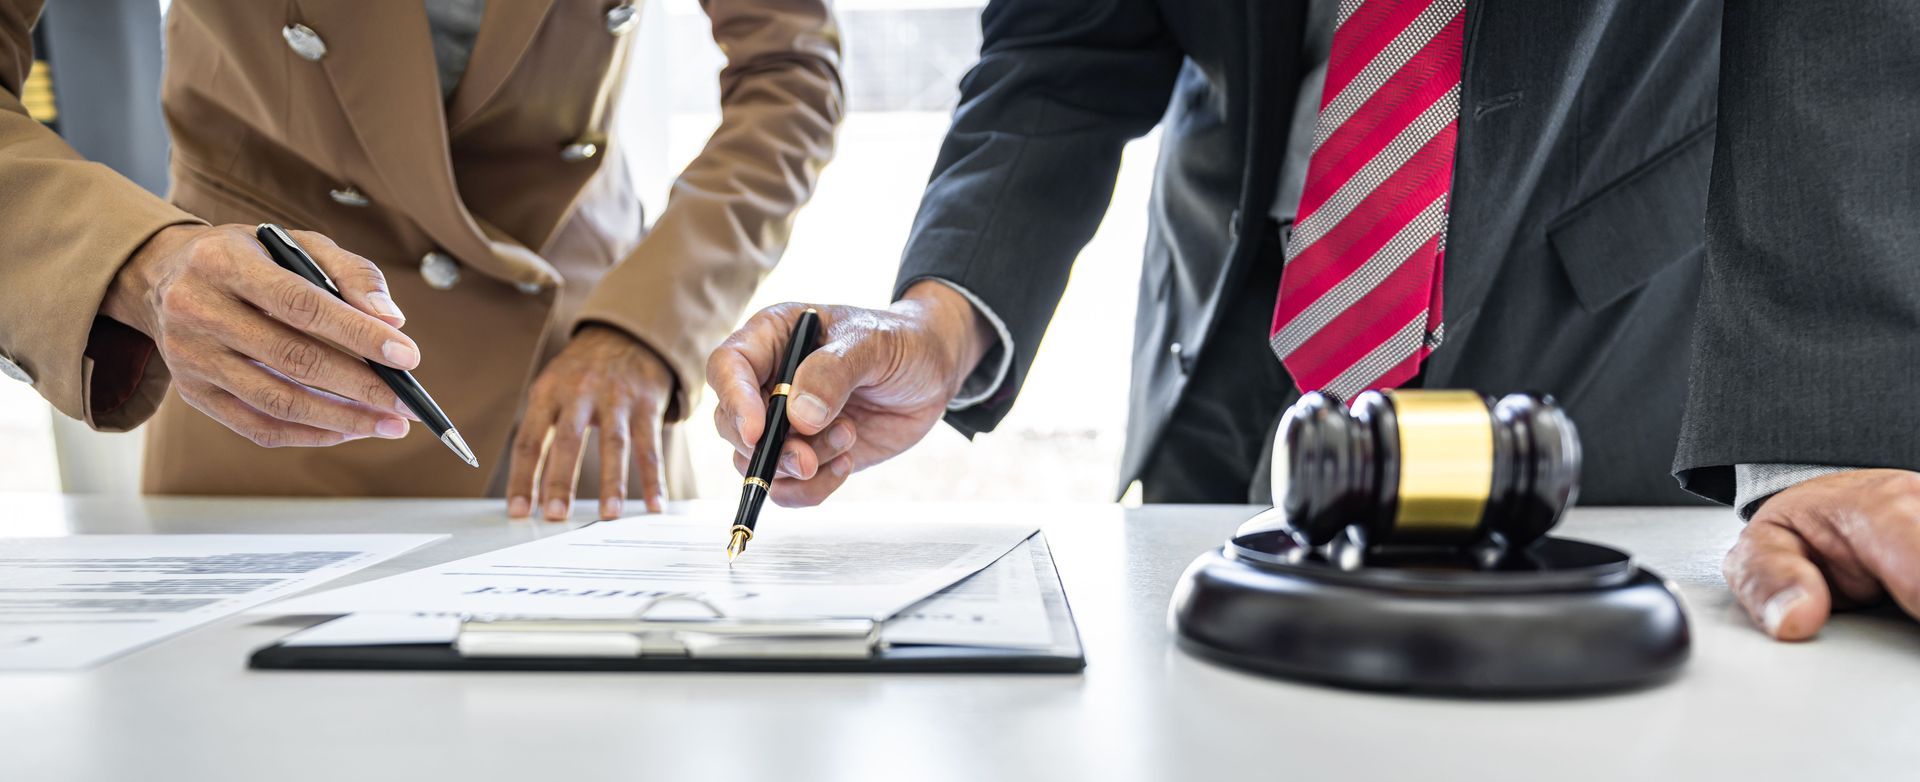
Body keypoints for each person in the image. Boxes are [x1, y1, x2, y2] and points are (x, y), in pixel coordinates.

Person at [707, 0, 1920, 641]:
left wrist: (1831, 426)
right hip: (1241, 343)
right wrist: (944, 313)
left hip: (1598, 337)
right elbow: (1067, 47)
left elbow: (1841, 30)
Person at [0, 0, 842, 521]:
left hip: (578, 394)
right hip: (273, 372)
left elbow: (790, 73)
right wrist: (146, 264)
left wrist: (649, 324)